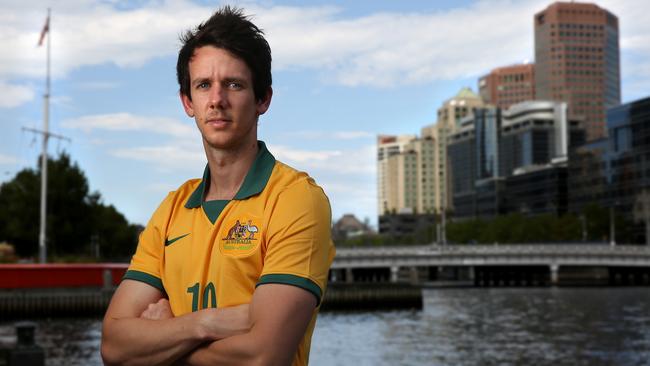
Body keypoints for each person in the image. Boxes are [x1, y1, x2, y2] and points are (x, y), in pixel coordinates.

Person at [101, 6, 335, 366]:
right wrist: (204, 324)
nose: (217, 100)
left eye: (234, 84)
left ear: (263, 99)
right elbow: (114, 346)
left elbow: (263, 355)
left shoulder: (296, 198)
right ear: (187, 102)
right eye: (203, 85)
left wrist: (162, 343)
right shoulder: (171, 209)